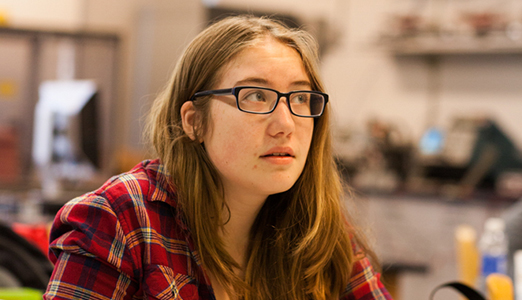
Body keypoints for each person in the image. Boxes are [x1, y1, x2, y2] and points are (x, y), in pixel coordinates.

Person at [43, 15, 392, 300]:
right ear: (194, 121)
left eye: (301, 98)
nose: (285, 124)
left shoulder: (318, 226)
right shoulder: (122, 218)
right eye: (256, 95)